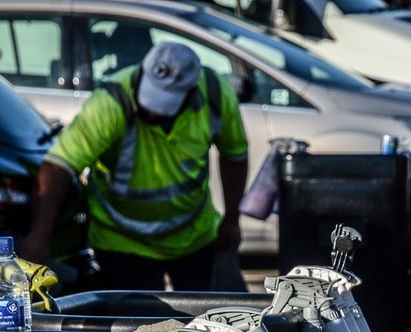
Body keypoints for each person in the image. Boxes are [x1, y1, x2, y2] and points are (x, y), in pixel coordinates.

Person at [21, 42, 249, 291]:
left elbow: (234, 155)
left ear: (191, 93)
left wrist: (232, 219)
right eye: (149, 100)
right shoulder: (110, 102)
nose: (150, 113)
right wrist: (40, 234)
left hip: (194, 236)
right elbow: (59, 165)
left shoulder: (215, 94)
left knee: (207, 320)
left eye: (162, 108)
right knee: (142, 326)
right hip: (122, 242)